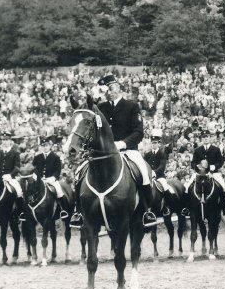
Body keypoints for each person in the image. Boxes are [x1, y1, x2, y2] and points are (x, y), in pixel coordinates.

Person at [71, 75, 156, 228]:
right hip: (102, 153)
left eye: (111, 88)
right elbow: (87, 113)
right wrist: (93, 98)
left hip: (127, 150)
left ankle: (146, 211)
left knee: (143, 173)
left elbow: (138, 132)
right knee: (78, 173)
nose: (109, 92)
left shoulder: (131, 106)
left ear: (118, 87)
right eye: (106, 89)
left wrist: (123, 143)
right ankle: (78, 212)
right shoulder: (101, 108)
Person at [185, 129, 225, 214]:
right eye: (204, 137)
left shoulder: (216, 149)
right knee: (187, 187)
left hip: (213, 173)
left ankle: (224, 207)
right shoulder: (198, 149)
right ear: (201, 139)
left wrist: (214, 166)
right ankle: (187, 208)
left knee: (223, 186)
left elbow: (220, 161)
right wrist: (197, 167)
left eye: (207, 137)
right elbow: (193, 163)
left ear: (210, 138)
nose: (205, 139)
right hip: (200, 173)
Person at [32, 135, 68, 219]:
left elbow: (57, 171)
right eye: (43, 146)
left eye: (46, 145)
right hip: (39, 180)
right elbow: (33, 169)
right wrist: (36, 177)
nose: (45, 148)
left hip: (51, 180)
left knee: (59, 191)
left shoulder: (55, 157)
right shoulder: (37, 157)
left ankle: (63, 210)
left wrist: (51, 178)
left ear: (50, 146)